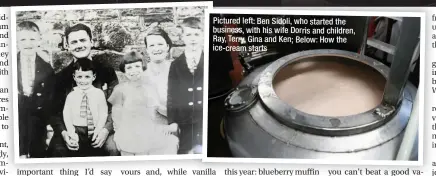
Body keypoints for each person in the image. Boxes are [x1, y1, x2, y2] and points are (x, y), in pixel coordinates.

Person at [47, 23, 119, 157]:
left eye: (83, 40)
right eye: (74, 42)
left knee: (113, 147)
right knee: (57, 151)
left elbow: (116, 106)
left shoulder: (106, 71)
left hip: (101, 128)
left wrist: (105, 130)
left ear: (91, 42)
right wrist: (65, 133)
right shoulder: (61, 77)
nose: (79, 45)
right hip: (72, 130)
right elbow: (55, 112)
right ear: (67, 46)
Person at [108, 51, 178, 156]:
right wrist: (118, 135)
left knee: (147, 153)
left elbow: (158, 109)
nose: (133, 70)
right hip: (127, 131)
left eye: (137, 66)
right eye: (129, 68)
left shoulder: (149, 87)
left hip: (145, 130)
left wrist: (175, 120)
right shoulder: (120, 89)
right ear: (124, 71)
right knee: (128, 154)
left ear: (142, 68)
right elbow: (116, 116)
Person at [17, 21, 55, 158]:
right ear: (16, 41)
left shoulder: (46, 68)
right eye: (23, 39)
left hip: (37, 117)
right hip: (16, 115)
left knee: (37, 150)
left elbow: (49, 97)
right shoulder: (8, 64)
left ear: (39, 40)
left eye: (32, 39)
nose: (28, 43)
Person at [167, 17, 204, 154]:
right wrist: (172, 121)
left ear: (202, 36)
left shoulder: (209, 60)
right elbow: (172, 94)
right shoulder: (176, 65)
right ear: (182, 37)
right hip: (186, 120)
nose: (192, 39)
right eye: (188, 35)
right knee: (186, 151)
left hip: (204, 117)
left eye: (196, 34)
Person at [62, 59, 108, 157]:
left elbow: (103, 113)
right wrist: (71, 132)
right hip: (77, 130)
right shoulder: (71, 95)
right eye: (79, 76)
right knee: (76, 153)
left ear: (93, 77)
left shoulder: (99, 93)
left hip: (94, 129)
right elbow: (67, 115)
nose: (83, 80)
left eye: (87, 76)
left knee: (95, 153)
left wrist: (98, 130)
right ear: (74, 77)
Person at [142, 26, 173, 121]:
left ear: (167, 46)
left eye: (160, 44)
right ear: (147, 50)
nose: (156, 48)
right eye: (152, 45)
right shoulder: (142, 77)